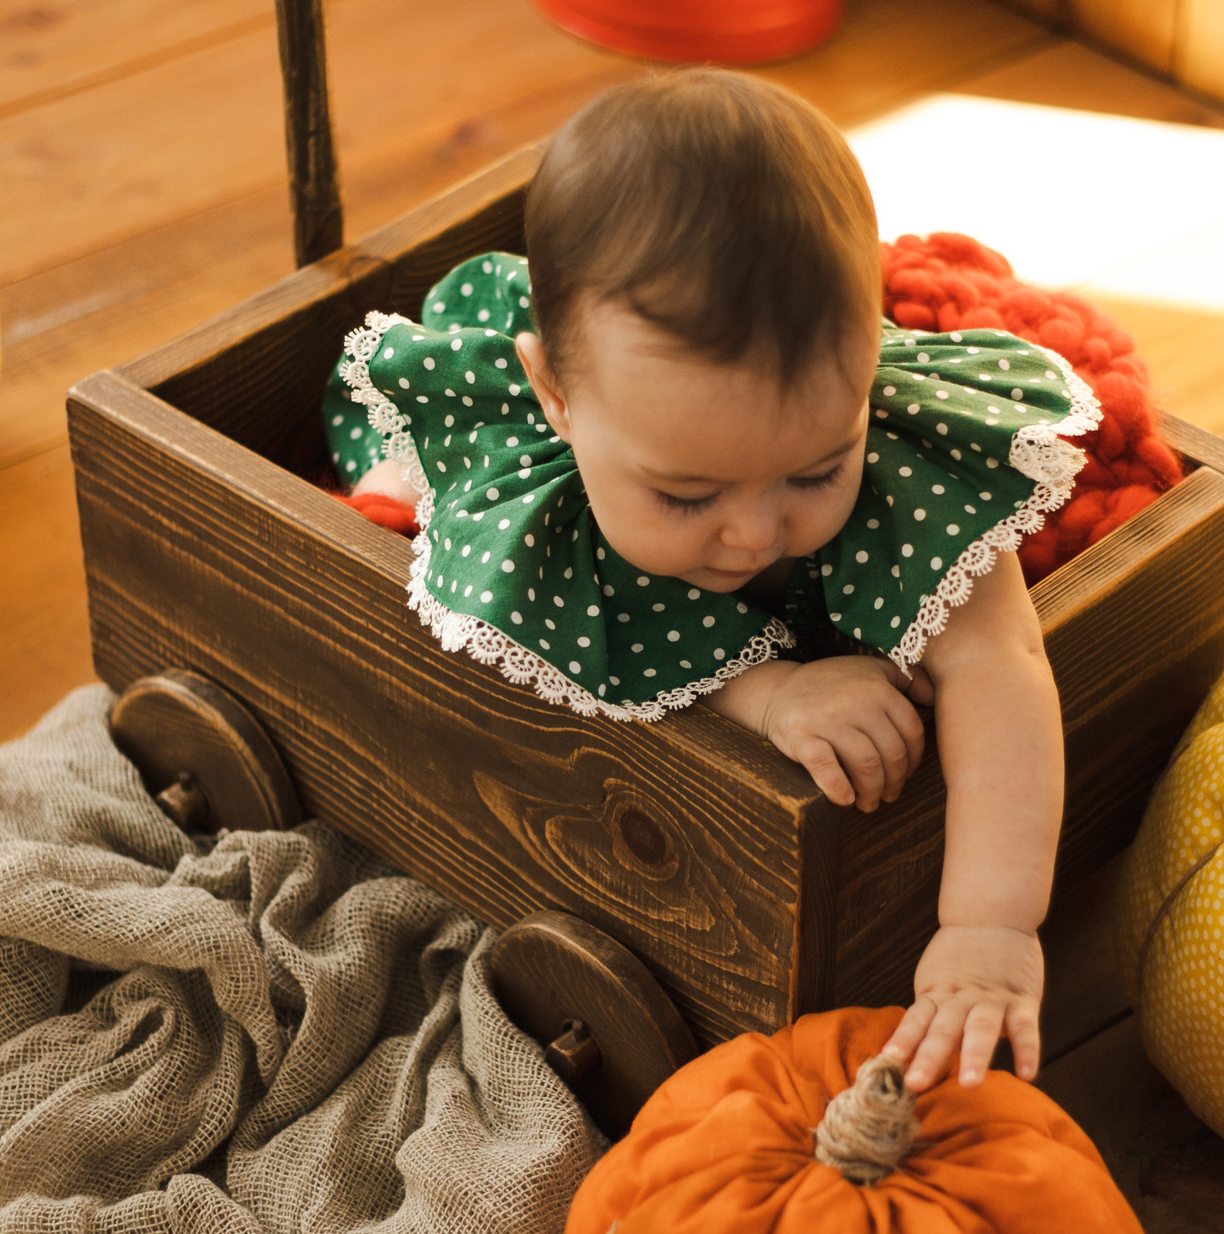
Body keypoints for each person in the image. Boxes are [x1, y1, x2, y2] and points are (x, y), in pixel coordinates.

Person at [327, 70, 1097, 1093]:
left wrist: (991, 926)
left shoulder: (902, 475)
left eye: (816, 470)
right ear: (558, 400)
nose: (750, 530)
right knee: (426, 513)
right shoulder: (557, 479)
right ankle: (406, 475)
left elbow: (1000, 658)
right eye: (687, 495)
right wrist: (769, 693)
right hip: (552, 452)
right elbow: (591, 631)